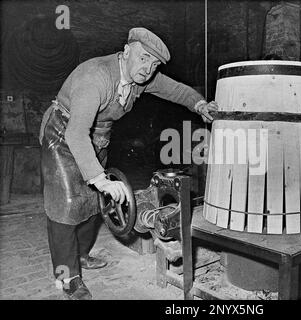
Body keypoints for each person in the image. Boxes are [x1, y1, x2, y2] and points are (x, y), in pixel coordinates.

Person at [39, 27, 218, 300]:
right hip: (63, 134)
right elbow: (76, 133)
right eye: (144, 58)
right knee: (65, 207)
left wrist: (200, 105)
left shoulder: (141, 78)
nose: (148, 68)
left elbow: (176, 90)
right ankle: (68, 277)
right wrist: (98, 177)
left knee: (93, 201)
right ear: (126, 51)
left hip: (97, 137)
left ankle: (82, 256)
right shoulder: (96, 77)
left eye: (154, 63)